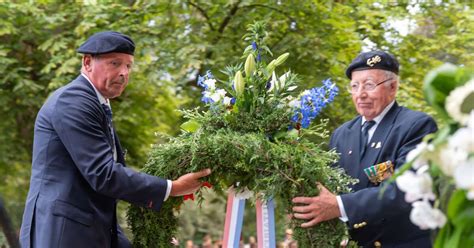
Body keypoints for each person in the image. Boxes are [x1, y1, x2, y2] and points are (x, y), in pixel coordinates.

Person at [19, 31, 211, 248]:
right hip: (63, 235)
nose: (124, 73)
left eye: (128, 66)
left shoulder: (97, 104)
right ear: (88, 62)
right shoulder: (73, 101)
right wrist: (172, 188)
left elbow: (103, 194)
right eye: (115, 63)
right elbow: (103, 174)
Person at [292, 51, 437, 247]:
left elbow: (405, 190)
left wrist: (339, 206)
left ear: (392, 87)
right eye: (354, 86)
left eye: (369, 85)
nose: (360, 94)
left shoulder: (416, 126)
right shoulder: (341, 134)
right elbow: (332, 190)